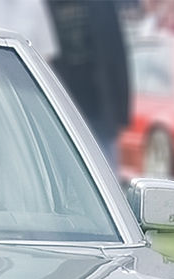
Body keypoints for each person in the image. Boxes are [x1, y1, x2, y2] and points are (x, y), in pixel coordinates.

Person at [46, 0, 131, 172]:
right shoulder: (46, 6)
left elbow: (117, 56)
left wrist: (121, 109)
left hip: (99, 106)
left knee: (105, 170)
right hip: (61, 104)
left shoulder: (100, 6)